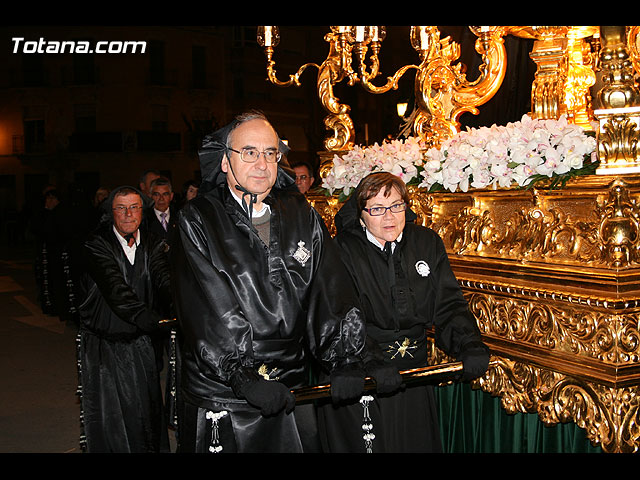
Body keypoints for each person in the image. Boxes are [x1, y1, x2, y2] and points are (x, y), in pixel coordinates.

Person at [170, 111, 374, 453]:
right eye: (249, 152)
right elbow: (207, 309)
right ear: (224, 161)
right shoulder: (197, 219)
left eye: (270, 153)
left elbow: (330, 287)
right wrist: (241, 375)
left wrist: (346, 358)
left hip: (292, 386)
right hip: (227, 393)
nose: (262, 164)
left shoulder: (302, 213)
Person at [317, 171, 490, 453]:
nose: (389, 217)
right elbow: (341, 317)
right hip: (364, 377)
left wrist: (468, 343)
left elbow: (448, 303)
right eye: (377, 209)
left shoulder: (426, 242)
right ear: (361, 215)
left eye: (396, 205)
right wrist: (372, 362)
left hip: (412, 378)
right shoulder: (342, 250)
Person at [76, 185, 174, 453]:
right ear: (111, 213)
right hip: (104, 348)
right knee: (113, 422)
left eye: (134, 207)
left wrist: (181, 306)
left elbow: (163, 278)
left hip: (141, 343)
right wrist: (149, 318)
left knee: (146, 413)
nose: (129, 214)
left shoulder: (153, 242)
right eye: (121, 208)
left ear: (143, 211)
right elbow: (116, 289)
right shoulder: (96, 244)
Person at [147, 176, 178, 244]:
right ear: (150, 196)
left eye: (165, 194)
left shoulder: (180, 217)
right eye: (157, 194)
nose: (161, 199)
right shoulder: (144, 220)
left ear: (171, 196)